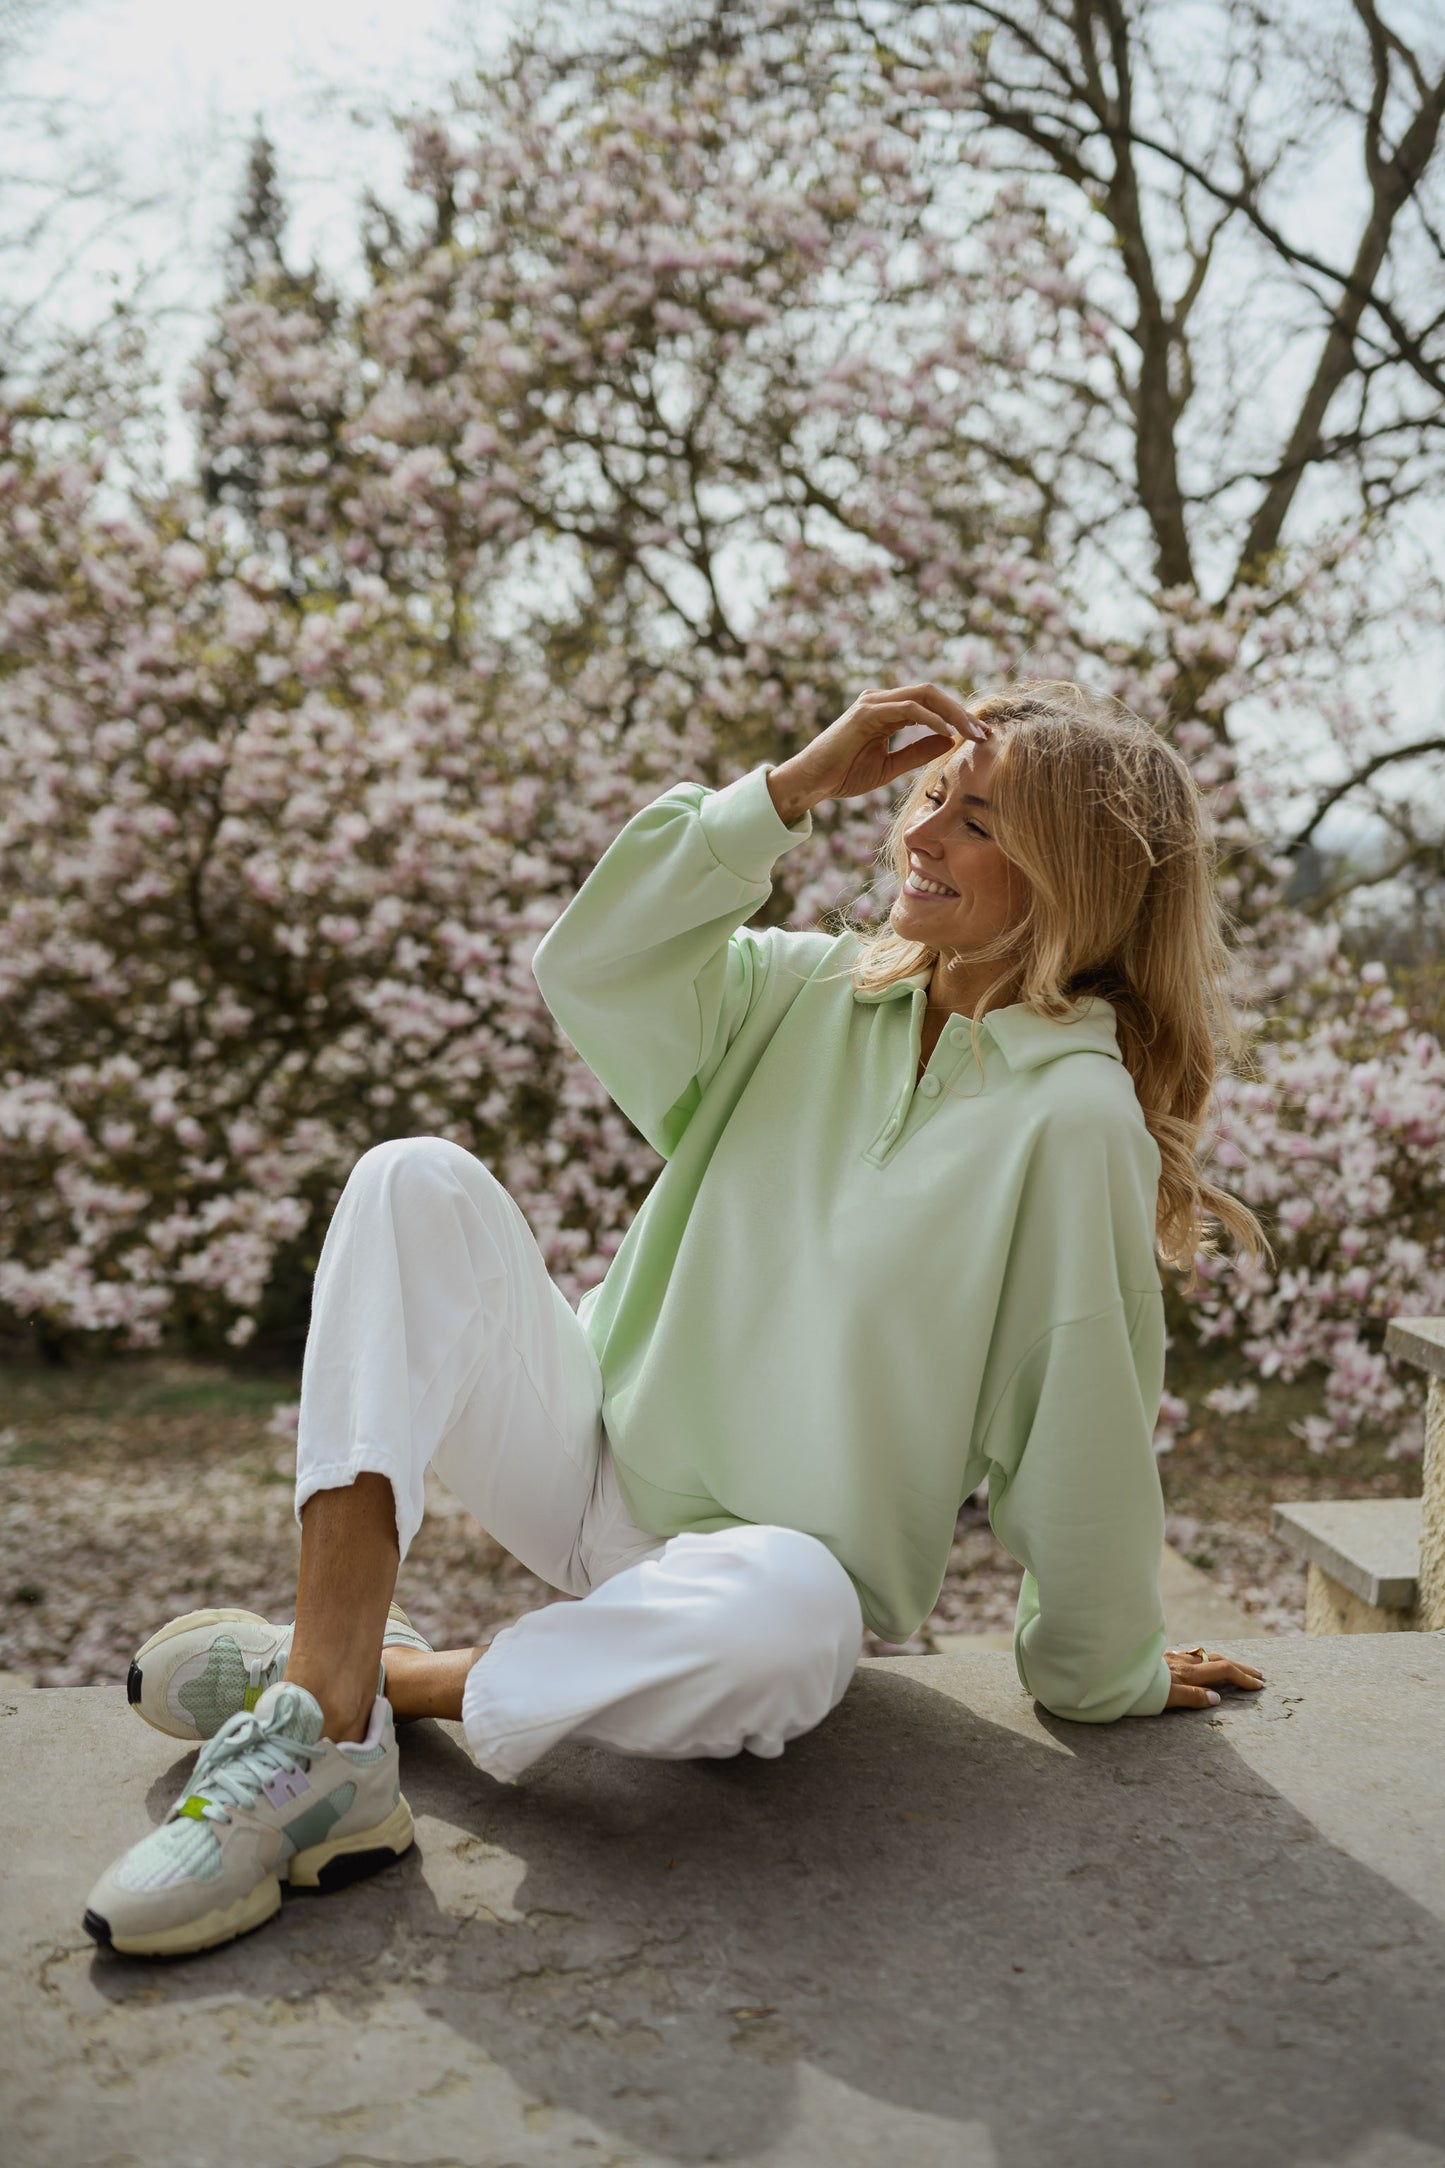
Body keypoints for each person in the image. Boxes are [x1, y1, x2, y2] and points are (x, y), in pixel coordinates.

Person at [83, 679, 1268, 1959]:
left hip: (754, 1577)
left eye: (975, 821)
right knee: (409, 1178)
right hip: (587, 1441)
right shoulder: (807, 990)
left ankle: (385, 1678)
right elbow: (588, 963)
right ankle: (322, 1723)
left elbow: (1077, 1411)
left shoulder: (1073, 1121)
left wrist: (1102, 1669)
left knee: (797, 1628)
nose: (921, 833)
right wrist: (787, 791)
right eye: (929, 796)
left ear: (1075, 880)